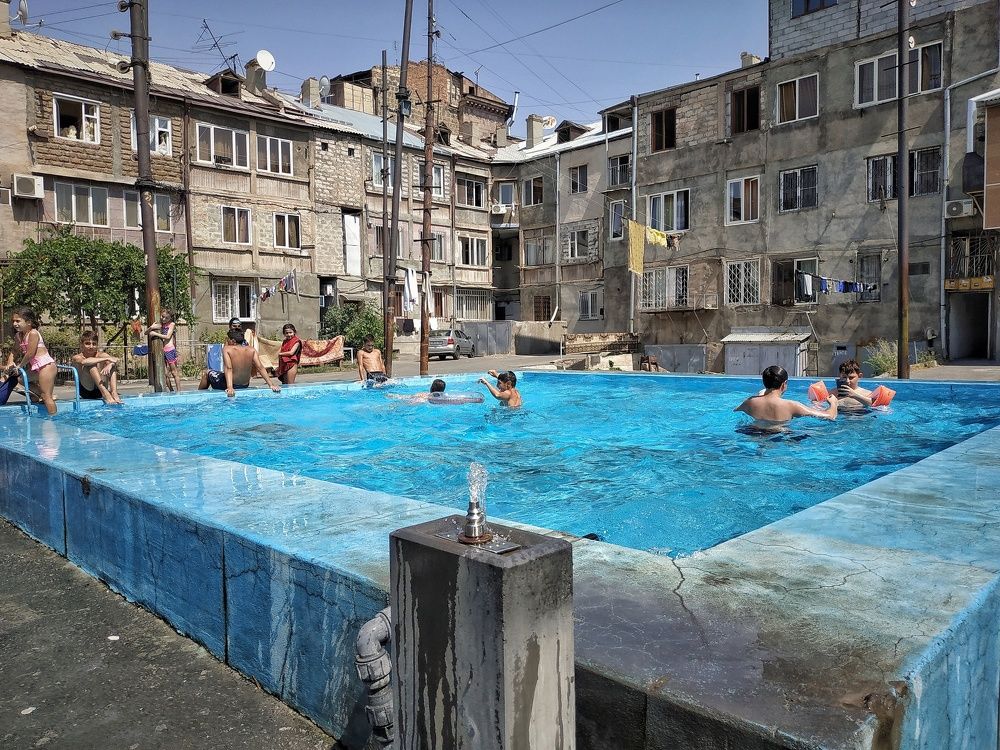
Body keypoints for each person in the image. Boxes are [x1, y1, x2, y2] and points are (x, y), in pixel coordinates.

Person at [734, 365, 837, 433]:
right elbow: (830, 416)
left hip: (753, 432)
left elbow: (735, 410)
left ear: (764, 383)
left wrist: (759, 396)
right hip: (780, 436)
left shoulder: (750, 402)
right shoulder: (791, 405)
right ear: (784, 384)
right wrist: (833, 403)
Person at [4, 307, 57, 415]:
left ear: (28, 322)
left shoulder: (33, 333)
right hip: (36, 368)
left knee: (47, 397)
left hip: (46, 366)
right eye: (13, 321)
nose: (15, 323)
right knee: (21, 379)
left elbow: (30, 354)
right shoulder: (18, 336)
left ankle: (53, 420)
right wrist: (10, 362)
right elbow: (14, 351)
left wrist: (19, 366)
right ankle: (39, 394)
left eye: (18, 321)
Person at [198, 329, 281, 398]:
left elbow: (228, 368)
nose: (226, 341)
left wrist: (230, 387)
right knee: (221, 374)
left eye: (228, 339)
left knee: (207, 373)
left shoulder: (227, 349)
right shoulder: (251, 350)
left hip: (231, 385)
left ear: (233, 341)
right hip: (244, 385)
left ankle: (198, 396)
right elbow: (260, 367)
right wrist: (271, 385)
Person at [71, 331, 122, 404]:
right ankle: (106, 394)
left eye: (94, 344)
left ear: (97, 345)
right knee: (91, 365)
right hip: (86, 391)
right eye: (87, 343)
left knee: (111, 365)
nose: (91, 346)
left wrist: (110, 364)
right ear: (82, 345)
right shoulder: (77, 357)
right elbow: (84, 362)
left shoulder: (101, 355)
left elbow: (115, 359)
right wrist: (107, 359)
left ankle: (114, 393)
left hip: (100, 391)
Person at [144, 309, 182, 392]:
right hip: (163, 351)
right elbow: (146, 333)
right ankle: (171, 390)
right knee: (165, 374)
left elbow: (168, 337)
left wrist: (155, 334)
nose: (163, 319)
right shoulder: (161, 324)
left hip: (170, 350)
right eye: (162, 316)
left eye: (166, 318)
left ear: (170, 318)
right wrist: (151, 327)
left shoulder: (171, 324)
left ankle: (179, 391)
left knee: (174, 372)